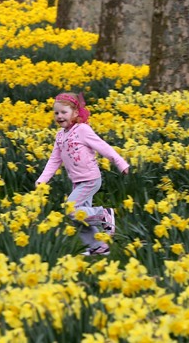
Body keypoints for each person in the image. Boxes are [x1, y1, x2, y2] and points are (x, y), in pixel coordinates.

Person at [36, 92, 130, 256]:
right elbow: (54, 159)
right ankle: (98, 247)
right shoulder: (60, 136)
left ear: (75, 113)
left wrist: (120, 162)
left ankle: (103, 214)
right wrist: (42, 179)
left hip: (90, 179)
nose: (59, 116)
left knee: (70, 209)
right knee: (78, 218)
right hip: (77, 181)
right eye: (56, 113)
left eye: (64, 112)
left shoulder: (83, 130)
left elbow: (103, 146)